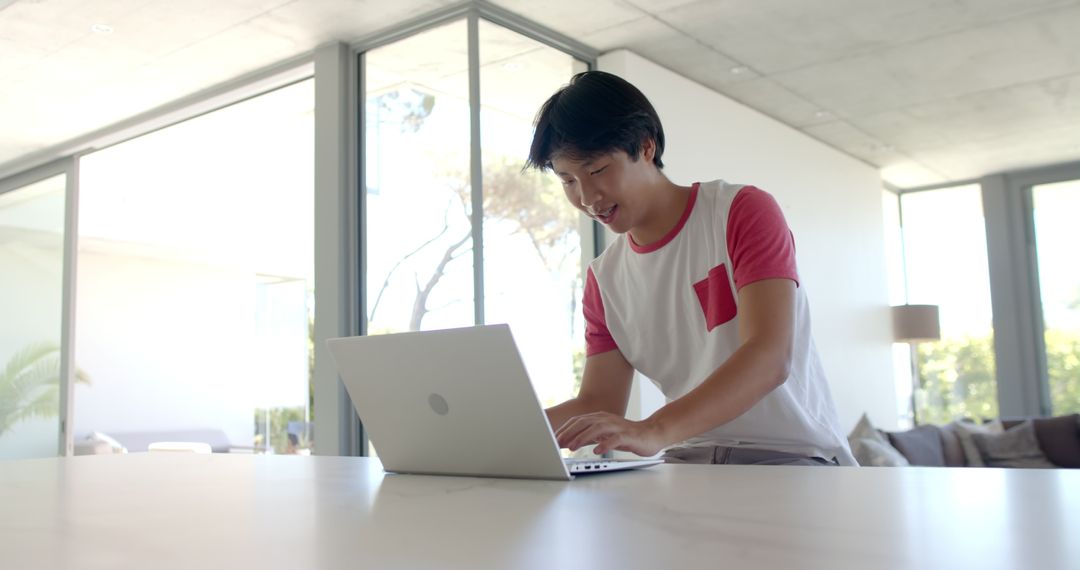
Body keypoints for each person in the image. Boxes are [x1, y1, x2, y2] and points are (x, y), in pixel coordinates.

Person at [525, 71, 856, 466]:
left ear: (645, 147)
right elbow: (598, 401)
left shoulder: (740, 212)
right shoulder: (604, 279)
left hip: (793, 456)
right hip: (688, 461)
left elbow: (769, 356)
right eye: (567, 180)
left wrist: (653, 430)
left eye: (597, 171)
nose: (587, 197)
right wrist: (505, 434)